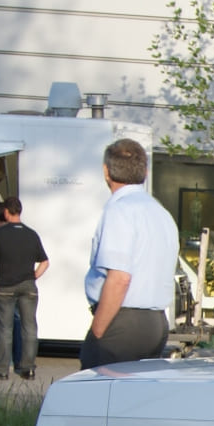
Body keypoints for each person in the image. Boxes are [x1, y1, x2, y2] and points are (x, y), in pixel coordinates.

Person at [81, 138, 180, 370]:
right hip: (155, 322)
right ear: (145, 171)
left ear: (106, 172)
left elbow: (120, 277)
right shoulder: (161, 212)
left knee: (96, 399)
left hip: (122, 321)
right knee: (134, 401)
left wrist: (97, 331)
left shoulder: (120, 210)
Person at [0, 197, 48, 380]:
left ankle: (2, 369)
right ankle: (28, 368)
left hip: (5, 286)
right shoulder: (31, 234)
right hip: (28, 286)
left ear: (6, 213)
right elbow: (44, 262)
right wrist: (33, 276)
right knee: (29, 327)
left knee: (4, 328)